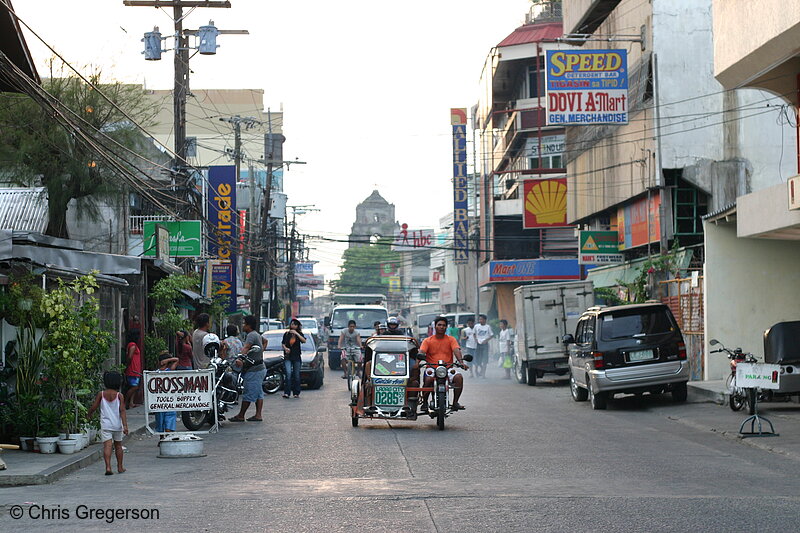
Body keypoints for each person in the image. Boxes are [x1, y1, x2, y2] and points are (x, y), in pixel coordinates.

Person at [419, 316, 468, 411]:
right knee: (428, 379)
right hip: (431, 368)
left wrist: (461, 362)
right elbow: (421, 352)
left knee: (459, 377)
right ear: (435, 326)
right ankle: (425, 402)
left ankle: (455, 403)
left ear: (446, 327)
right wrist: (417, 363)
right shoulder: (427, 340)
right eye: (439, 325)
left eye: (444, 325)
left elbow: (456, 350)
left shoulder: (451, 339)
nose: (441, 327)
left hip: (448, 368)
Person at [87, 371, 128, 475]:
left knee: (107, 446)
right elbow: (122, 411)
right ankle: (120, 467)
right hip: (117, 425)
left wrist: (89, 414)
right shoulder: (119, 395)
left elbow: (94, 407)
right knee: (118, 446)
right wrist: (125, 425)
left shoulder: (101, 394)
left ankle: (108, 467)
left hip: (106, 425)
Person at [230, 315, 266, 421]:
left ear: (249, 325)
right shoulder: (256, 334)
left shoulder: (251, 335)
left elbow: (246, 348)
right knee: (259, 392)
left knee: (248, 392)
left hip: (254, 369)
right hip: (259, 368)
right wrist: (260, 352)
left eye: (244, 323)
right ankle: (258, 415)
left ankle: (241, 415)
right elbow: (265, 341)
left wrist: (240, 358)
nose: (242, 325)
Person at [282, 319, 307, 398]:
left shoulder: (299, 334)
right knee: (288, 374)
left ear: (297, 326)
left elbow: (304, 341)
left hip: (296, 356)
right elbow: (283, 343)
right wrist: (285, 348)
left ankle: (296, 392)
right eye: (291, 324)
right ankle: (287, 392)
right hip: (288, 356)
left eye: (294, 324)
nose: (292, 326)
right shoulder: (286, 334)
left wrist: (296, 333)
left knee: (296, 375)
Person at [154, 351, 178, 433]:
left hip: (169, 400)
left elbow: (177, 360)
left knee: (169, 419)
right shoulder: (155, 372)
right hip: (159, 401)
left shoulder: (170, 370)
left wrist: (167, 360)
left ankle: (167, 438)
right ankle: (162, 438)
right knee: (160, 422)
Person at [123, 332, 142, 409]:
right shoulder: (133, 345)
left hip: (136, 368)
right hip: (133, 369)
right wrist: (128, 365)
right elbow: (130, 357)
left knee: (135, 386)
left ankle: (131, 402)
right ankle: (125, 402)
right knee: (134, 387)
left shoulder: (132, 345)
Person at [474, 314, 494, 378]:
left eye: (482, 319)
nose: (480, 320)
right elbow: (474, 334)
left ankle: (483, 374)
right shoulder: (476, 326)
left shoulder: (488, 327)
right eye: (480, 319)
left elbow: (491, 335)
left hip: (485, 344)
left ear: (485, 320)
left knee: (485, 359)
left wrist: (486, 340)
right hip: (478, 344)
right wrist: (476, 339)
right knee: (478, 359)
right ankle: (477, 371)